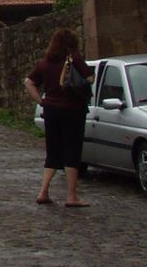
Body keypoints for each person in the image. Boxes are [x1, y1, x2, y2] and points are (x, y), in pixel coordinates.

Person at [24, 28, 94, 207]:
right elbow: (90, 78)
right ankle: (71, 196)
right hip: (73, 110)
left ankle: (43, 191)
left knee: (53, 150)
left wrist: (42, 101)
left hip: (51, 110)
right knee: (72, 150)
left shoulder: (44, 63)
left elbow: (29, 82)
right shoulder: (73, 58)